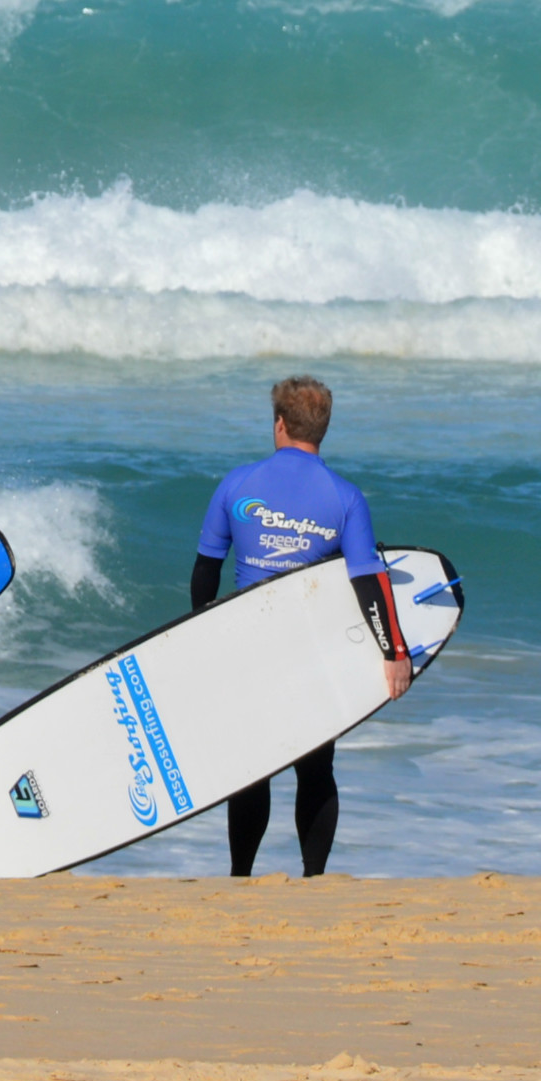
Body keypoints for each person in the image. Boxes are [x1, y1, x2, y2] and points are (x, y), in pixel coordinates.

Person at [190, 376, 415, 878]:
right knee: (315, 767)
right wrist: (394, 651)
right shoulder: (346, 498)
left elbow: (206, 569)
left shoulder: (238, 484)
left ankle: (241, 877)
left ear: (279, 424)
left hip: (248, 644)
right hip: (313, 649)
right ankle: (313, 878)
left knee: (252, 769)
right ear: (322, 430)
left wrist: (197, 637)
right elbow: (369, 583)